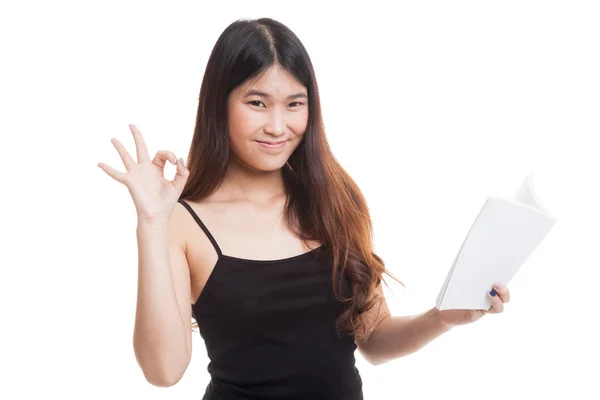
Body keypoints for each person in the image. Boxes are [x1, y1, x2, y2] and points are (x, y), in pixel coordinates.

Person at [98, 17, 510, 400]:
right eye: (257, 103)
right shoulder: (183, 223)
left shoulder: (335, 199)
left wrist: (441, 318)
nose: (278, 126)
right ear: (218, 106)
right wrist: (151, 222)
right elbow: (164, 371)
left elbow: (374, 339)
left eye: (294, 104)